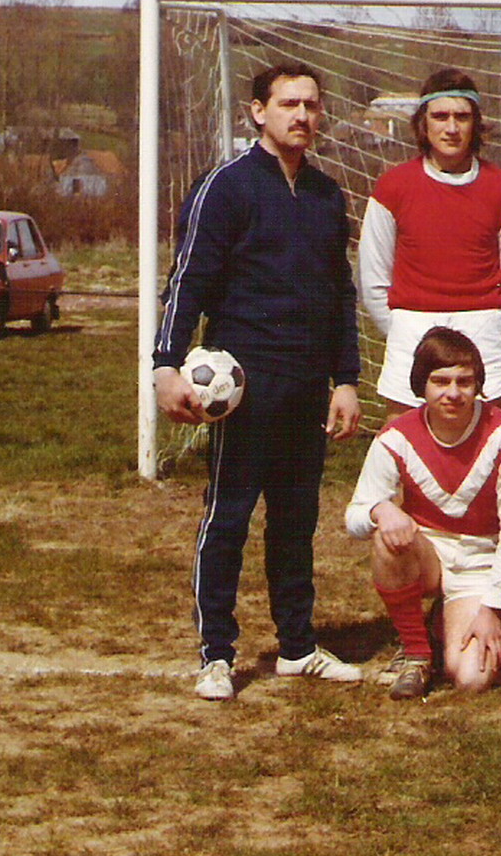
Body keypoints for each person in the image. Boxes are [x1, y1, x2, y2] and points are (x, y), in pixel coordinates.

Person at [152, 61, 364, 701]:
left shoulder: (329, 196)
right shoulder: (226, 188)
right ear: (258, 113)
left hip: (306, 389)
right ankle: (217, 652)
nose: (303, 115)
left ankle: (297, 646)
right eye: (289, 104)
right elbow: (186, 282)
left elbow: (340, 297)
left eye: (312, 105)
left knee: (296, 521)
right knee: (229, 518)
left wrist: (346, 380)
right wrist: (166, 365)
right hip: (242, 389)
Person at [345, 327, 501, 699]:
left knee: (471, 679)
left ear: (478, 384)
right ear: (422, 384)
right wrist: (382, 509)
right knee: (387, 538)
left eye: (465, 382)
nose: (453, 393)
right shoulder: (395, 437)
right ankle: (416, 652)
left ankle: (449, 620)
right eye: (440, 381)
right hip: (427, 554)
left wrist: (493, 607)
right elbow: (354, 517)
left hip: (481, 560)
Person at [358, 68, 501, 415]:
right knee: (407, 455)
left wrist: (489, 322)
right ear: (424, 123)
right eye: (440, 116)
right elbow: (373, 279)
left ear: (476, 123)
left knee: (490, 453)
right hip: (412, 329)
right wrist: (405, 327)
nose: (451, 128)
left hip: (484, 332)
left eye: (462, 117)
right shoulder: (393, 187)